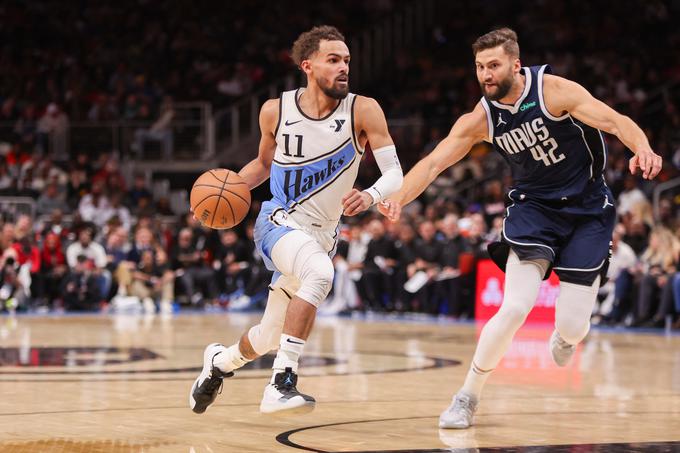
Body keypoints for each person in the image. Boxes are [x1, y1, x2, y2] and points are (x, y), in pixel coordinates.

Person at [379, 28, 662, 429]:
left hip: (588, 208)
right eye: (479, 67)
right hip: (534, 209)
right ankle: (467, 397)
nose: (485, 75)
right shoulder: (481, 117)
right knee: (513, 307)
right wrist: (399, 199)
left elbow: (616, 121)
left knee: (573, 327)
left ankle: (565, 335)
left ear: (516, 63)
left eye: (493, 66)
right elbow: (432, 163)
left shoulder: (555, 91)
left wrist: (643, 148)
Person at [189, 25, 403, 415]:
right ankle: (281, 383)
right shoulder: (276, 110)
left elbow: (394, 173)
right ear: (308, 65)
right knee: (321, 274)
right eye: (333, 59)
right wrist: (220, 194)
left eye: (347, 61)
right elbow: (264, 165)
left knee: (268, 336)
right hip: (279, 222)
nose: (344, 68)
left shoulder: (363, 109)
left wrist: (372, 194)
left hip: (322, 235)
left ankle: (218, 363)